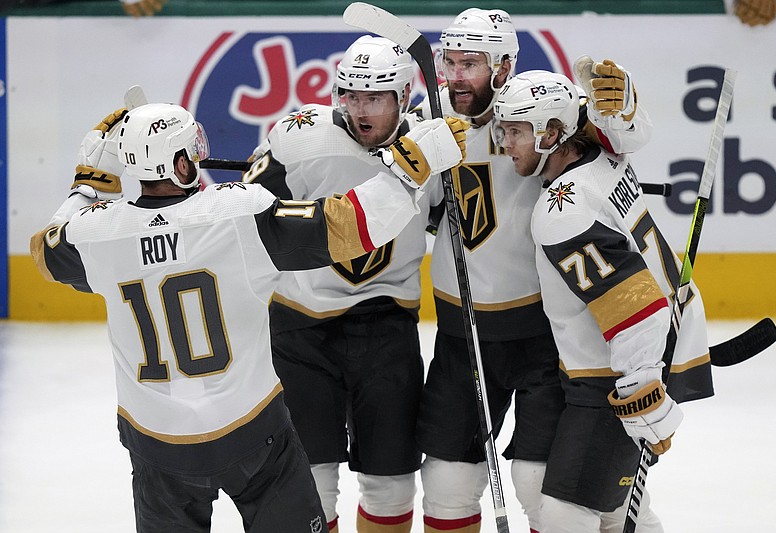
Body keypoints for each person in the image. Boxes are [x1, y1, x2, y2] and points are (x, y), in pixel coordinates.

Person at [29, 100, 464, 533]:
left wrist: (87, 187)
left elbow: (44, 251)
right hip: (252, 435)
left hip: (156, 442)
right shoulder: (237, 214)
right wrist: (410, 170)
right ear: (181, 164)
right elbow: (349, 227)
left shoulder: (94, 236)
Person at [415, 8, 654, 533]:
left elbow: (619, 140)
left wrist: (623, 113)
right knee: (446, 485)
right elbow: (406, 207)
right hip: (461, 335)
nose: (455, 76)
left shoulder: (541, 109)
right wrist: (410, 161)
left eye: (470, 64)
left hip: (542, 339)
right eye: (448, 62)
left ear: (503, 68)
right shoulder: (427, 123)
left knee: (540, 485)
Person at [242, 35, 468, 533]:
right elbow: (250, 220)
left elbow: (448, 224)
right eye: (352, 96)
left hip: (386, 326)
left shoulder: (432, 147)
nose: (361, 110)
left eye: (375, 98)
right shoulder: (300, 137)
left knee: (391, 483)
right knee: (309, 477)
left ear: (402, 98)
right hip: (301, 328)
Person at [491, 69, 715, 532]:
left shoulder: (562, 211)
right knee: (613, 509)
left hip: (619, 373)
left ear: (552, 134)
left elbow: (633, 305)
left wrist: (640, 392)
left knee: (564, 513)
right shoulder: (602, 154)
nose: (505, 143)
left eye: (516, 131)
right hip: (649, 347)